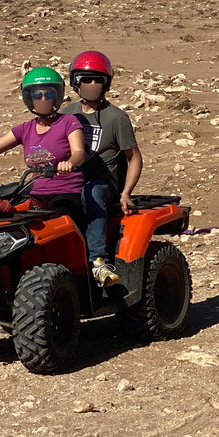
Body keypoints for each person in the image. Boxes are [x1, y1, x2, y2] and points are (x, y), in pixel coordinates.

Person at [0, 67, 115, 286]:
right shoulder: (25, 129)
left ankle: (84, 272)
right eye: (38, 94)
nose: (43, 99)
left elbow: (78, 153)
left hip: (65, 193)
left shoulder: (69, 122)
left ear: (58, 95)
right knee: (6, 224)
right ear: (29, 98)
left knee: (55, 231)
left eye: (49, 94)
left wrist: (69, 164)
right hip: (35, 194)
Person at [60, 50, 143, 288]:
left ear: (107, 83)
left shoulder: (116, 118)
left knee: (91, 192)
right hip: (70, 181)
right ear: (76, 82)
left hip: (103, 185)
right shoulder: (66, 114)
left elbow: (134, 158)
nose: (93, 84)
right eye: (87, 79)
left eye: (99, 79)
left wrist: (126, 192)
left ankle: (98, 261)